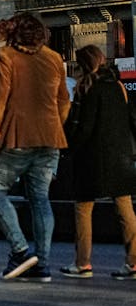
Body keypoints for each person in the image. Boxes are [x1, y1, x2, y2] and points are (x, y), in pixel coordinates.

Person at [0, 13, 70, 282]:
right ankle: (42, 264)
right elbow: (64, 101)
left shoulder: (6, 56)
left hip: (17, 137)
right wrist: (54, 124)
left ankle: (20, 251)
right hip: (50, 139)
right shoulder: (55, 58)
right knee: (40, 199)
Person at [58, 45, 136, 280]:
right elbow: (131, 119)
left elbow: (84, 128)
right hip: (121, 158)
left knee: (83, 209)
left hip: (92, 159)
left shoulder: (87, 88)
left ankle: (83, 263)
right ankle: (133, 263)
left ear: (82, 65)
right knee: (125, 209)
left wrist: (68, 148)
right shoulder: (119, 86)